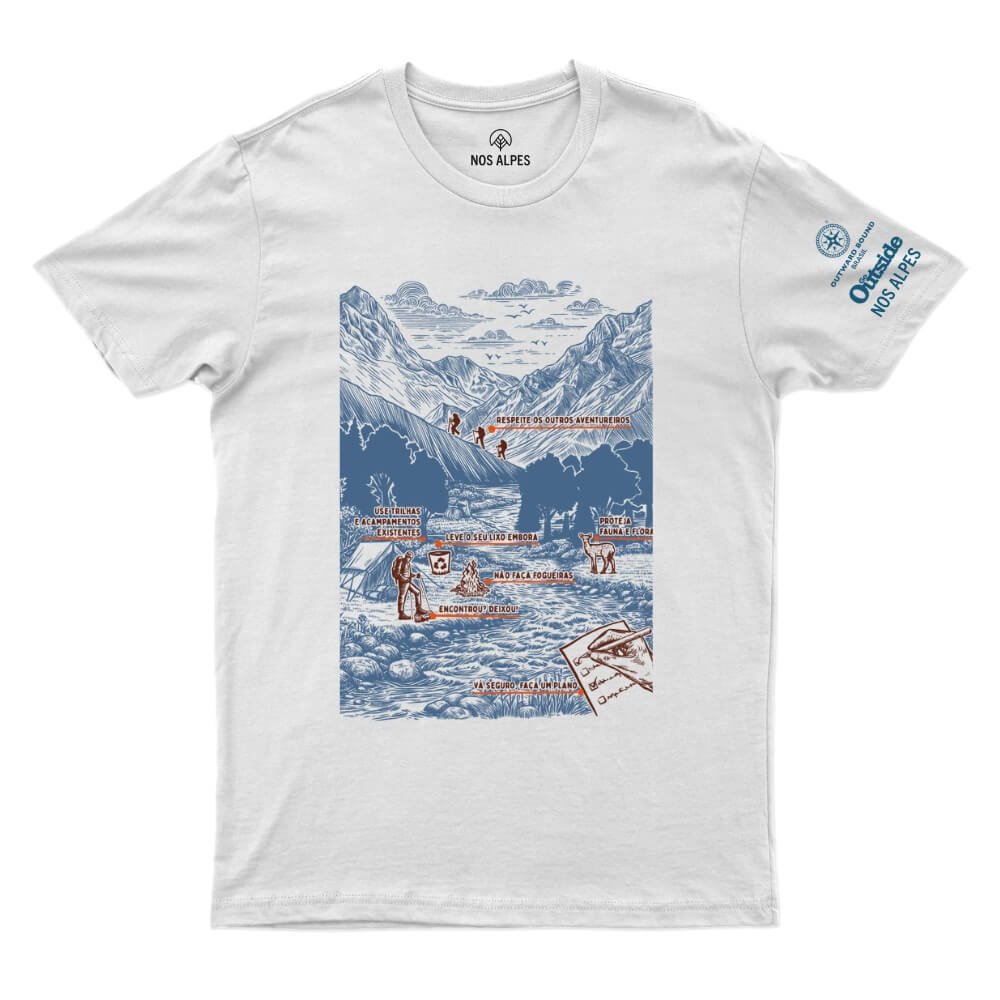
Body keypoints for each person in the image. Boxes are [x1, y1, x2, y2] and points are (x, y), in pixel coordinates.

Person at [390, 551, 431, 622]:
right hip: (403, 583)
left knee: (417, 592)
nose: (410, 559)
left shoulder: (408, 563)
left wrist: (415, 575)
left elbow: (408, 574)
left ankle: (418, 609)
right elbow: (397, 573)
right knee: (402, 596)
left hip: (408, 582)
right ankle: (401, 614)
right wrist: (404, 579)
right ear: (406, 556)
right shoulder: (401, 562)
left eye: (411, 557)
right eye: (409, 557)